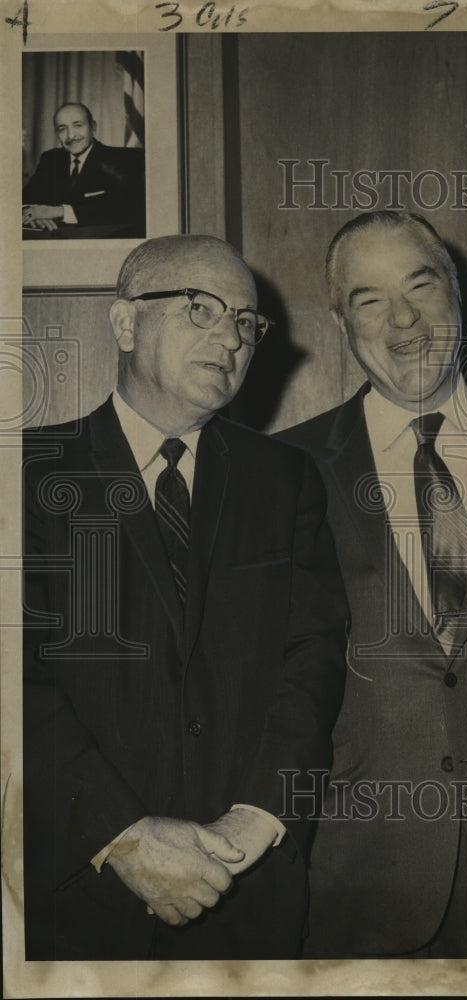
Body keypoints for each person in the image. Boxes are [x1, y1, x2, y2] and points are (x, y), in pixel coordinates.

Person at [23, 234, 349, 959]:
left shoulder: (285, 479)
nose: (229, 337)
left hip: (250, 892)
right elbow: (17, 681)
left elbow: (312, 657)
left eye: (244, 322)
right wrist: (126, 838)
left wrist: (254, 823)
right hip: (81, 893)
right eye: (199, 308)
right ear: (124, 324)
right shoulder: (28, 474)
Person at [279, 211, 467, 958]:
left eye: (419, 283)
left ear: (457, 298)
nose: (402, 317)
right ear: (340, 323)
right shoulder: (282, 474)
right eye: (369, 299)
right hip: (357, 887)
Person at [22, 101, 145, 237]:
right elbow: (26, 198)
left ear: (93, 127)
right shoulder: (50, 159)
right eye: (62, 129)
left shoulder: (125, 159)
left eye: (78, 125)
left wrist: (59, 212)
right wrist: (32, 214)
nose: (70, 136)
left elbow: (125, 208)